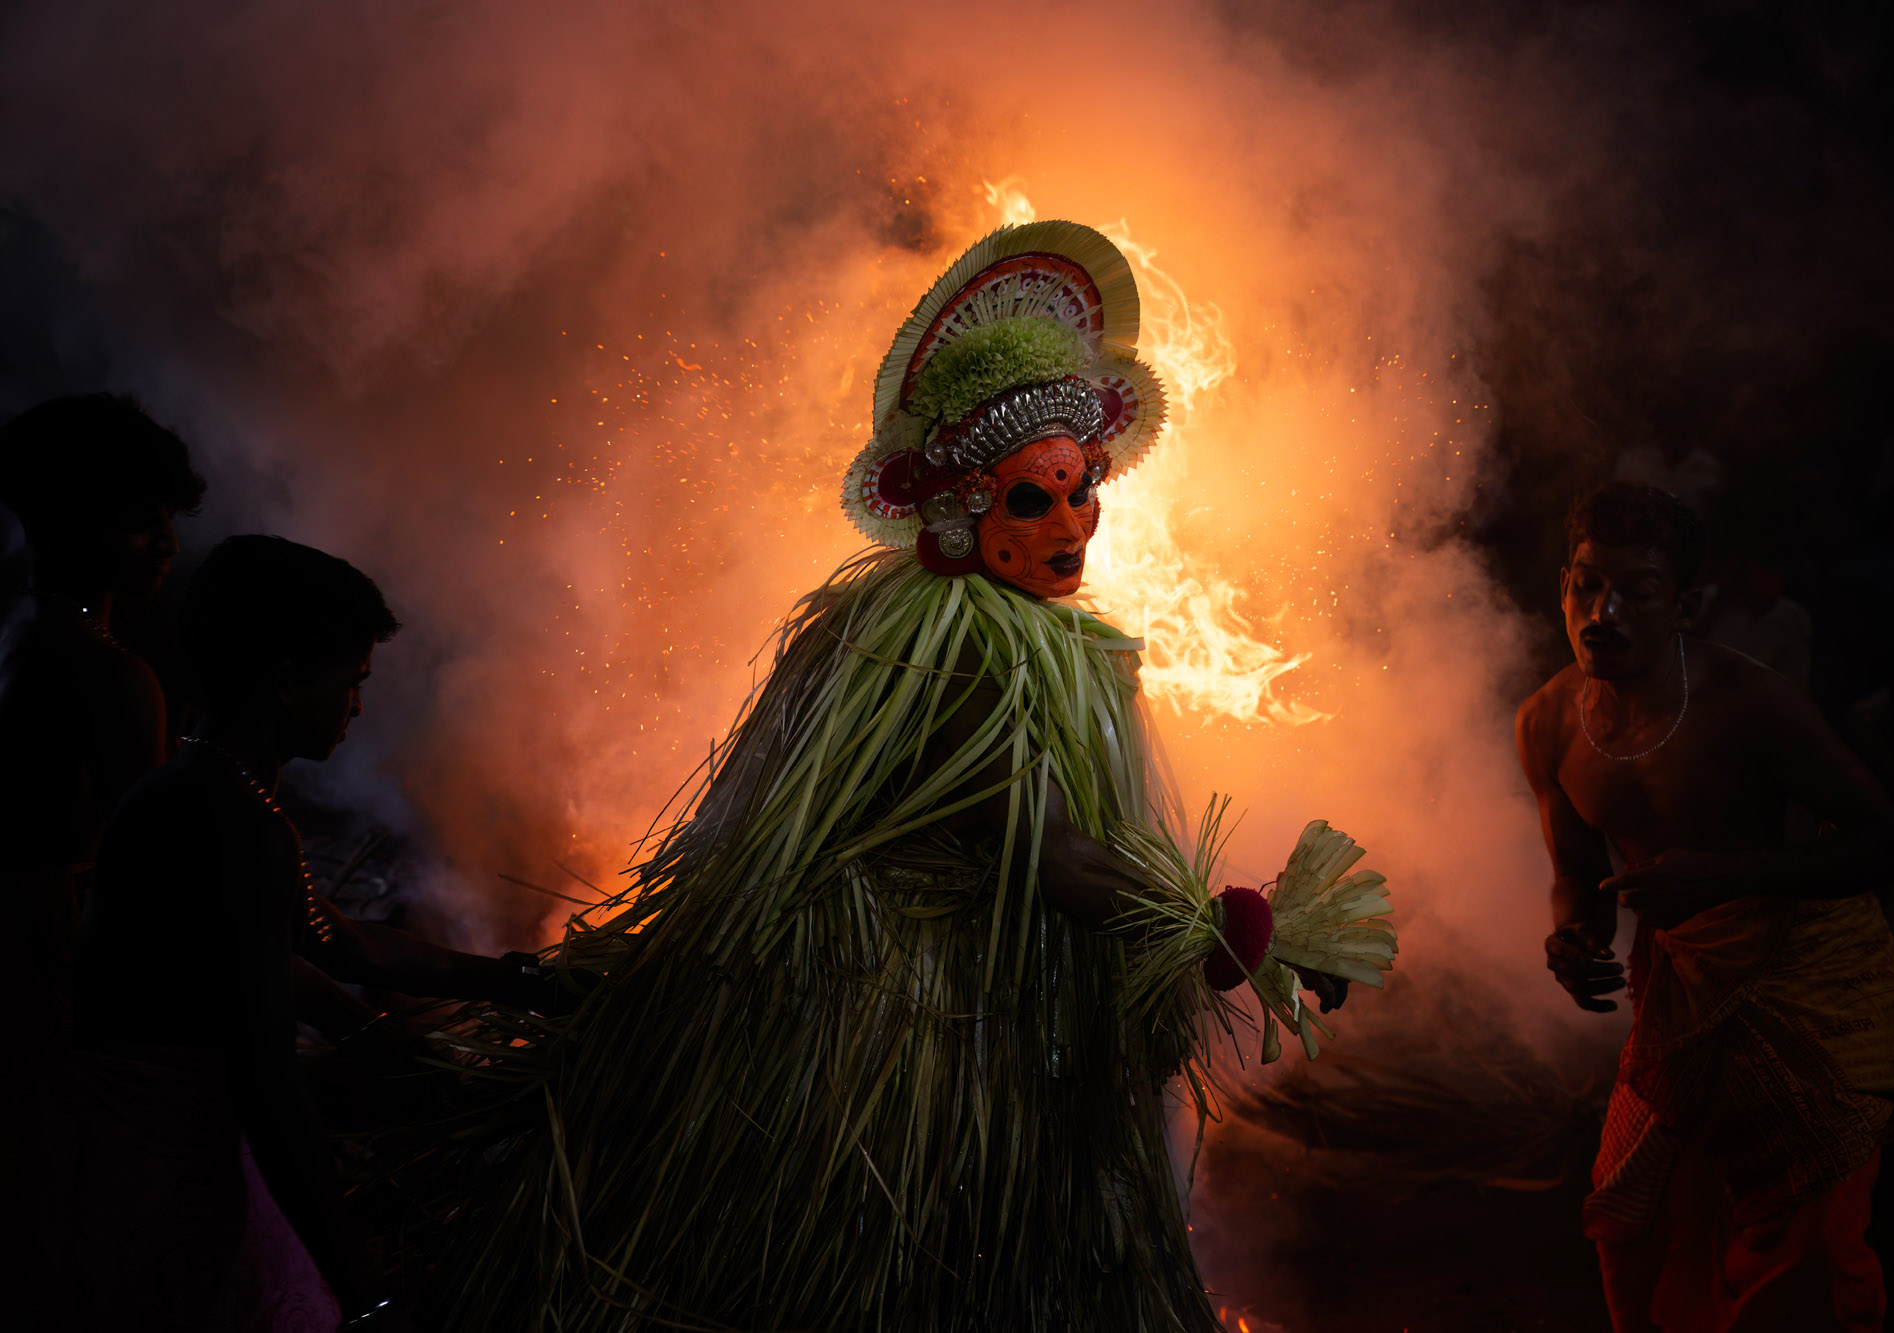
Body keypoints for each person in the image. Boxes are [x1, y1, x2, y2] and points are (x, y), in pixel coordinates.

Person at [379, 220, 1372, 1332]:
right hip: (903, 1029)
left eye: (1083, 486)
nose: (1071, 524)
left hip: (968, 1019)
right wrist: (1232, 928)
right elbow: (1047, 856)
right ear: (954, 510)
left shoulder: (1023, 638)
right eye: (1030, 499)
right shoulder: (958, 647)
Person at [45, 535, 580, 1332]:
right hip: (146, 1156)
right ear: (288, 681)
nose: (359, 706)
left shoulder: (206, 788)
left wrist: (524, 982)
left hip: (138, 1135)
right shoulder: (229, 820)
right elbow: (269, 1078)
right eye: (353, 681)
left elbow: (341, 943)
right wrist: (369, 1294)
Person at [1515, 482, 1894, 1331]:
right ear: (1561, 586)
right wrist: (1573, 934)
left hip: (1808, 988)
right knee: (1635, 1218)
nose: (1603, 611)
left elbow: (1886, 839)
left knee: (1798, 1248)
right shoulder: (1548, 720)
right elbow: (1576, 872)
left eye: (1637, 591)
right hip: (1685, 992)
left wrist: (1729, 876)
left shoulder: (1749, 701)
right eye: (1586, 584)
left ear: (1685, 604)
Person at [0, 393, 203, 1039]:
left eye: (169, 516)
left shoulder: (22, 631)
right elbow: (162, 878)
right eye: (145, 521)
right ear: (72, 521)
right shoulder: (109, 673)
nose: (169, 542)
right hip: (49, 992)